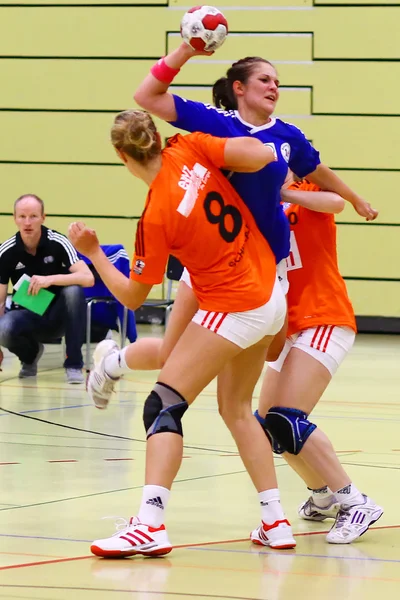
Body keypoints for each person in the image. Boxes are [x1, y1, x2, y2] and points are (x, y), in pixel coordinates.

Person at [69, 108, 297, 557]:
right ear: (157, 136)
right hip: (270, 291)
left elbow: (132, 298)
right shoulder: (187, 146)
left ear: (122, 156)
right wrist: (266, 142)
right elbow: (256, 154)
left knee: (162, 405)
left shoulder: (155, 216)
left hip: (236, 306)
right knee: (235, 408)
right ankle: (276, 520)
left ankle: (150, 524)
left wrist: (93, 253)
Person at [254, 174, 383, 544]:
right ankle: (322, 495)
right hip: (289, 326)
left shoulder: (308, 190)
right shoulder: (260, 203)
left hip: (323, 316)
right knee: (266, 427)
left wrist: (284, 190)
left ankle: (355, 501)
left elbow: (336, 203)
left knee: (287, 419)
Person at [0, 194, 94, 384]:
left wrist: (49, 280)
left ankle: (74, 364)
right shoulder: (7, 251)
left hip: (59, 316)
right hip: (29, 317)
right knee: (3, 328)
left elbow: (88, 278)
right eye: (22, 216)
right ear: (15, 218)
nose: (27, 222)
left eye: (33, 216)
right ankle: (30, 356)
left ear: (43, 217)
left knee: (73, 291)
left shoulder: (57, 242)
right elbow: (0, 301)